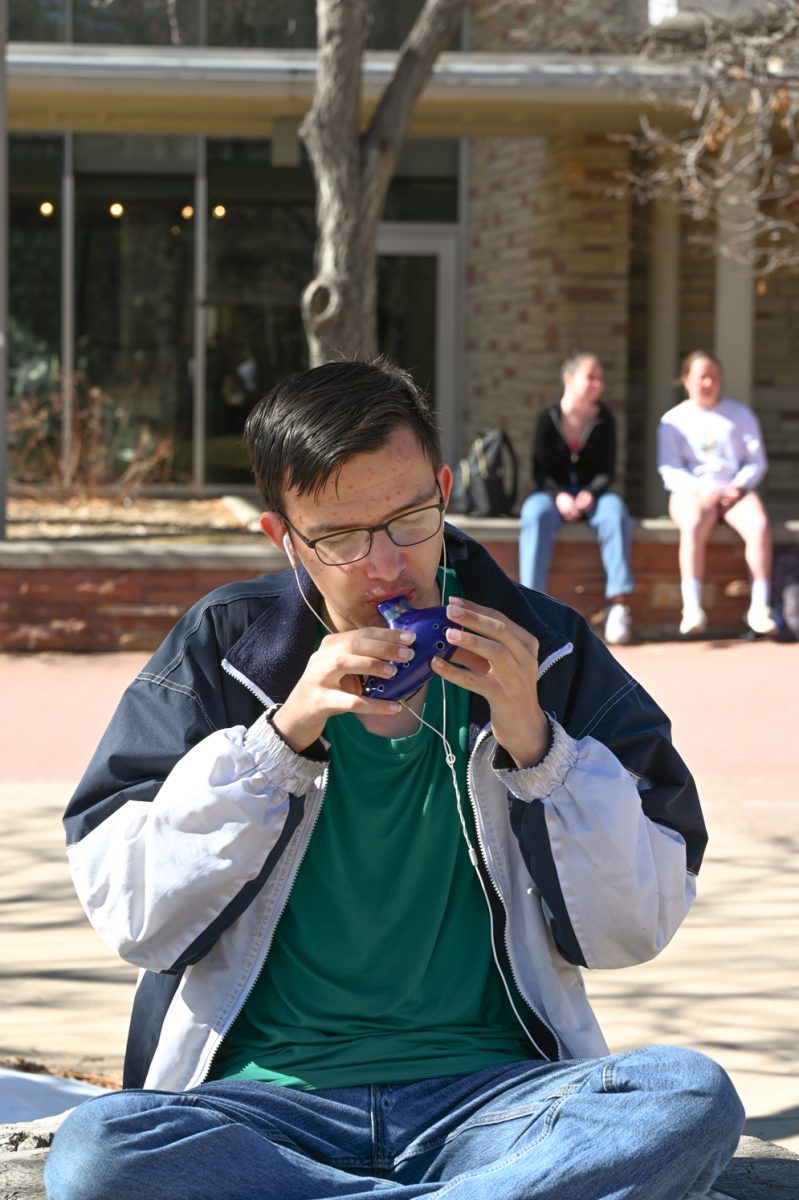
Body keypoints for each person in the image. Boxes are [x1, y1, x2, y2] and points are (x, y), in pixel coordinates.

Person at [45, 359, 744, 1200]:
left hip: (495, 1103)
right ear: (284, 538)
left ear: (444, 488)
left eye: (410, 518)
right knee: (99, 1150)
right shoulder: (225, 652)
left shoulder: (544, 649)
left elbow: (634, 928)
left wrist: (536, 742)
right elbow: (138, 920)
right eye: (340, 538)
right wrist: (279, 739)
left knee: (687, 1096)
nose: (385, 564)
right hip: (260, 1109)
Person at [518, 352, 635, 646]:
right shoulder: (547, 418)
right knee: (534, 513)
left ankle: (617, 604)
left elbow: (608, 470)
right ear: (568, 379)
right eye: (590, 377)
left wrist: (590, 494)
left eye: (600, 378)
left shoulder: (605, 420)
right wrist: (558, 496)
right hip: (552, 495)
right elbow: (539, 472)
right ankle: (531, 605)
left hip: (593, 496)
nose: (597, 384)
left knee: (616, 513)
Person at [657, 350, 777, 637]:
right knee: (694, 525)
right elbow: (669, 469)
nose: (708, 383)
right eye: (702, 377)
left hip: (735, 490)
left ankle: (760, 607)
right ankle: (693, 607)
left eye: (714, 377)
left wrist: (737, 485)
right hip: (692, 491)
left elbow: (756, 461)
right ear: (686, 380)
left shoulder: (740, 414)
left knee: (759, 526)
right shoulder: (673, 420)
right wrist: (700, 489)